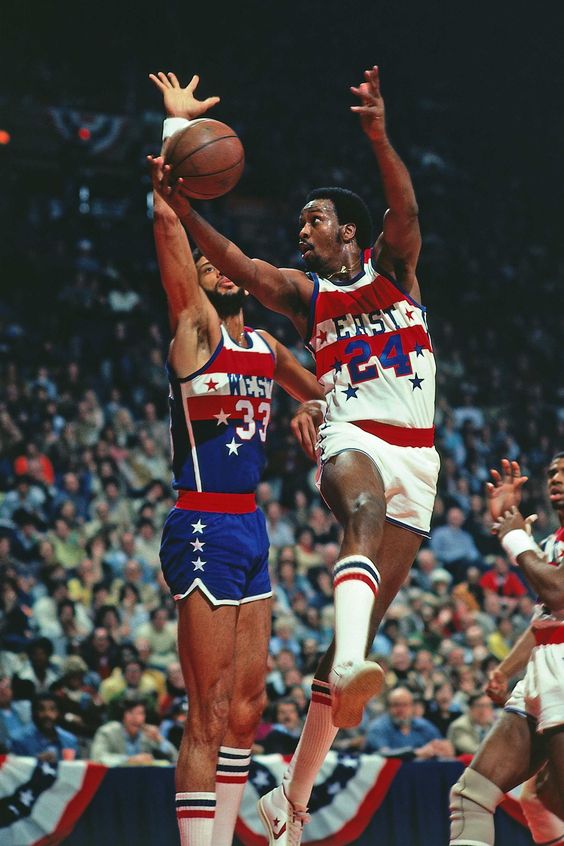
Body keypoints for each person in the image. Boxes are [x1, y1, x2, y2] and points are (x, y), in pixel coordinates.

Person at [151, 65, 439, 844]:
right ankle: (347, 669)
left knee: (296, 677)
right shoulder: (283, 304)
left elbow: (404, 210)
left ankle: (292, 800)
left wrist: (379, 136)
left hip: (414, 455)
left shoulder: (396, 276)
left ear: (350, 231)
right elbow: (232, 266)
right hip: (323, 458)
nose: (301, 231)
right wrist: (180, 197)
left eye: (314, 220)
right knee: (360, 510)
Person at [148, 71, 325, 846]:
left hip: (252, 528)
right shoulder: (196, 330)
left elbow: (319, 389)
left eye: (228, 259)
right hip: (201, 524)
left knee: (249, 708)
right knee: (207, 705)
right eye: (208, 259)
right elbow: (166, 229)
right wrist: (172, 144)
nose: (218, 265)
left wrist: (320, 411)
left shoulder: (265, 347)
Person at [449, 456, 564, 846]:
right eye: (552, 473)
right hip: (543, 671)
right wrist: (505, 669)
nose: (557, 478)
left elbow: (559, 592)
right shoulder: (550, 543)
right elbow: (545, 620)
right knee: (470, 796)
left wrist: (514, 536)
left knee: (550, 796)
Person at [364, 686, 453, 758]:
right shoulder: (377, 727)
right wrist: (415, 753)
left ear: (412, 707)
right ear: (388, 708)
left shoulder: (423, 725)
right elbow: (383, 754)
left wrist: (444, 748)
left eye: (405, 705)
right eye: (396, 705)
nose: (401, 710)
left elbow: (440, 744)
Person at [90, 696, 177, 766]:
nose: (135, 718)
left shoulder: (148, 734)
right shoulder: (107, 732)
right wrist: (129, 760)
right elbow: (97, 757)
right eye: (130, 712)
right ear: (122, 715)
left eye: (140, 713)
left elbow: (175, 758)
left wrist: (159, 740)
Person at [11, 692, 79, 762]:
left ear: (58, 713)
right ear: (34, 712)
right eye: (41, 709)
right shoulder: (19, 740)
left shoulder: (70, 741)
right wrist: (36, 762)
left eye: (52, 709)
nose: (47, 714)